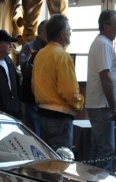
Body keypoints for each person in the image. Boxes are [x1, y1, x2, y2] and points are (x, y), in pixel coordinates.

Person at [32, 14, 84, 149]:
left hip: (42, 112)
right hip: (59, 116)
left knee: (47, 161)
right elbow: (69, 91)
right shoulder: (62, 56)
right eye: (69, 31)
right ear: (62, 34)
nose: (70, 34)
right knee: (61, 161)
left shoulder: (40, 55)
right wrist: (79, 103)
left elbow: (33, 86)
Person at [85, 9, 116, 171]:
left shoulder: (103, 43)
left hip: (101, 105)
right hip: (103, 106)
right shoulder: (102, 44)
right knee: (106, 150)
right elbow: (104, 76)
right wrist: (113, 107)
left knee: (99, 148)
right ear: (106, 26)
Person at [19, 19, 47, 134]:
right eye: (47, 31)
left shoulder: (53, 49)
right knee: (34, 131)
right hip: (32, 96)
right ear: (40, 32)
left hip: (46, 97)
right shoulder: (28, 47)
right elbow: (25, 70)